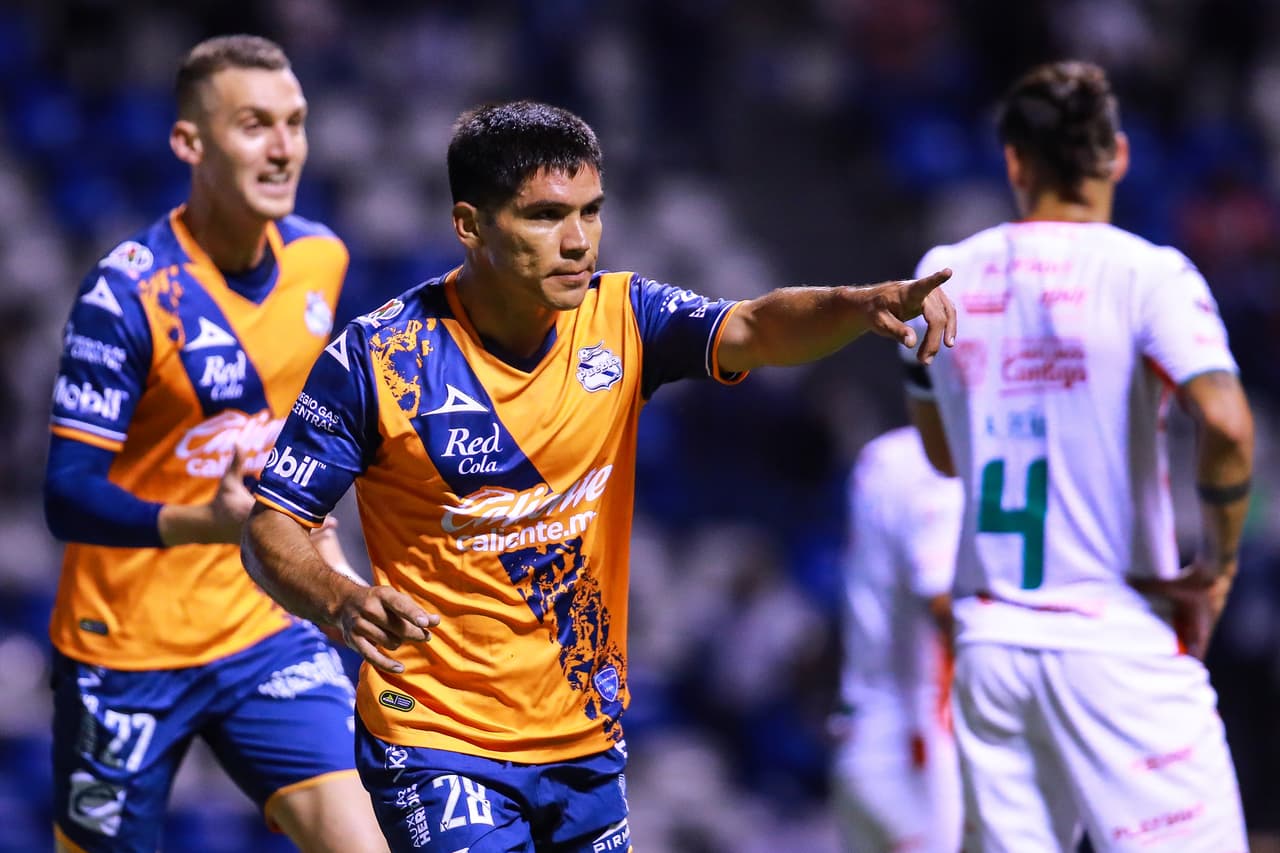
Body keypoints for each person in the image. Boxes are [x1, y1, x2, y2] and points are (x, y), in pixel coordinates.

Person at [240, 99, 956, 852]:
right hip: (437, 741)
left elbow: (754, 326)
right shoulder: (378, 358)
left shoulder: (624, 315)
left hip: (583, 742)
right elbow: (271, 525)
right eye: (546, 216)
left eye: (591, 212)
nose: (578, 240)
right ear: (470, 225)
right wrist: (340, 598)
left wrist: (856, 305)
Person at [43, 34, 387, 853]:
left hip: (263, 626)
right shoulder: (125, 295)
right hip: (122, 649)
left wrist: (327, 559)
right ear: (189, 142)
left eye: (295, 123)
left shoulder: (321, 259)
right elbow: (66, 494)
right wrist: (207, 521)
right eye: (254, 124)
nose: (283, 148)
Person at [903, 60, 1254, 851]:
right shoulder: (1149, 274)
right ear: (1117, 155)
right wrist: (1218, 565)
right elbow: (1228, 424)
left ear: (1014, 162)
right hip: (1113, 637)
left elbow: (945, 453)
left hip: (992, 645)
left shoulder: (938, 275)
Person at [830, 424, 963, 853]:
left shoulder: (884, 454)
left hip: (866, 734)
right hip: (918, 752)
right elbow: (947, 611)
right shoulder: (937, 461)